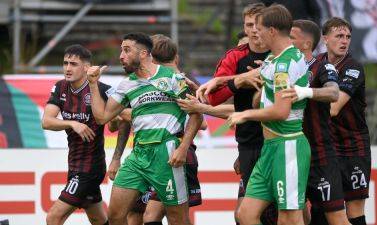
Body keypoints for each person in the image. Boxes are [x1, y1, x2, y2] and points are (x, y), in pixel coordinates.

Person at [87, 32, 202, 225]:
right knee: (115, 216)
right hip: (139, 155)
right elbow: (102, 117)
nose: (121, 56)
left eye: (126, 50)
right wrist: (92, 84)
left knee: (178, 219)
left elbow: (197, 114)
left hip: (167, 153)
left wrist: (183, 148)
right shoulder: (127, 84)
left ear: (143, 53)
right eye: (120, 51)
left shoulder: (173, 78)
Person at [194, 3, 277, 225]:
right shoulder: (234, 57)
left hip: (283, 139)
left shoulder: (281, 54)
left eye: (259, 24)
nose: (254, 29)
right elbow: (211, 98)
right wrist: (238, 81)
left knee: (290, 208)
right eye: (249, 24)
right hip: (250, 140)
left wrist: (265, 73)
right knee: (257, 210)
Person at [227, 5, 311, 225]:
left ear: (272, 31)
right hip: (269, 149)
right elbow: (259, 74)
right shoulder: (274, 60)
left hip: (288, 147)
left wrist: (245, 114)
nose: (254, 33)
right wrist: (219, 81)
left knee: (289, 219)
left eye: (259, 28)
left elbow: (281, 111)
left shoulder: (285, 63)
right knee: (245, 215)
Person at [283, 20, 351, 225]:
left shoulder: (323, 66)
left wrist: (304, 92)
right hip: (291, 153)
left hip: (320, 154)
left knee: (337, 218)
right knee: (295, 215)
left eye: (291, 38)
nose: (286, 41)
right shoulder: (283, 67)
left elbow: (333, 92)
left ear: (306, 43)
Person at [42, 44, 111, 225]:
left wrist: (117, 157)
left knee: (53, 218)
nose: (67, 68)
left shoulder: (102, 89)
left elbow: (121, 119)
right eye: (65, 63)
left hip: (90, 168)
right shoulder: (60, 87)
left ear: (86, 67)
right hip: (74, 164)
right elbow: (46, 121)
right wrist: (73, 123)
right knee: (98, 219)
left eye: (73, 64)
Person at [321, 17, 371, 225]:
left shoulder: (353, 67)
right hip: (326, 148)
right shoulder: (318, 65)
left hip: (353, 147)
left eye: (348, 37)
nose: (344, 41)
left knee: (353, 211)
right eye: (339, 36)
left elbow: (333, 107)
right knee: (322, 209)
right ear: (325, 39)